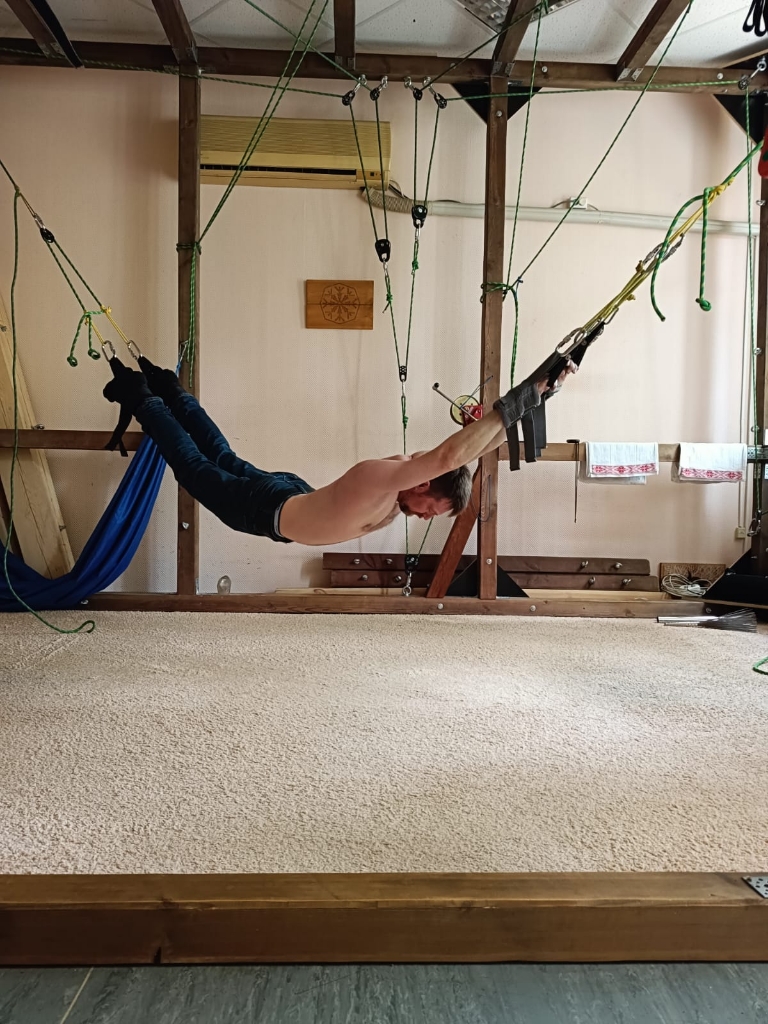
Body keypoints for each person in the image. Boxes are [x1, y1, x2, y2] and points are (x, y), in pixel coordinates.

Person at [103, 355, 576, 547]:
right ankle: (141, 393)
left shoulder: (404, 484)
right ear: (424, 484)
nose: (425, 517)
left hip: (289, 497)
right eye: (432, 509)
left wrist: (540, 394)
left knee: (220, 455)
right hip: (265, 512)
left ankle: (170, 389)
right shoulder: (385, 478)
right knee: (193, 465)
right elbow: (449, 457)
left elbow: (474, 452)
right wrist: (516, 400)